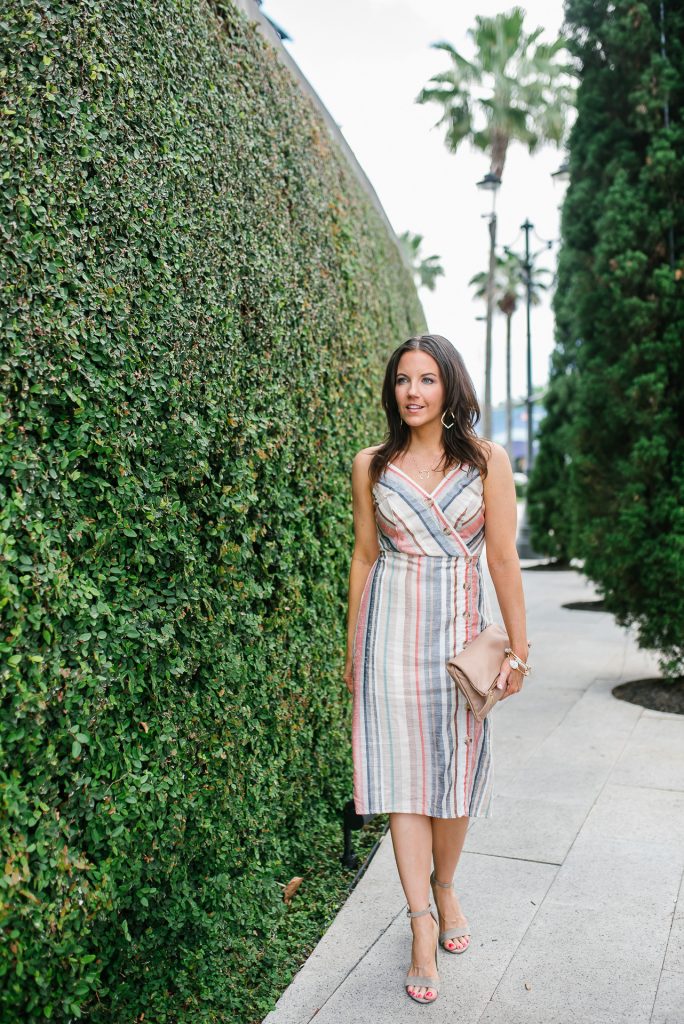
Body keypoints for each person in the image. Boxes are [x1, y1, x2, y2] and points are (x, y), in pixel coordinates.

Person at [343, 334, 529, 1005]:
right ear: (391, 391)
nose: (413, 392)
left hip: (459, 633)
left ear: (449, 387)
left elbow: (502, 559)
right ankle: (421, 923)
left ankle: (445, 888)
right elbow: (365, 557)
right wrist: (351, 647)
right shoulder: (372, 464)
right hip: (389, 633)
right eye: (401, 380)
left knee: (454, 774)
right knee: (404, 781)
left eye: (425, 379)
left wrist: (519, 652)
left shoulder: (486, 462)